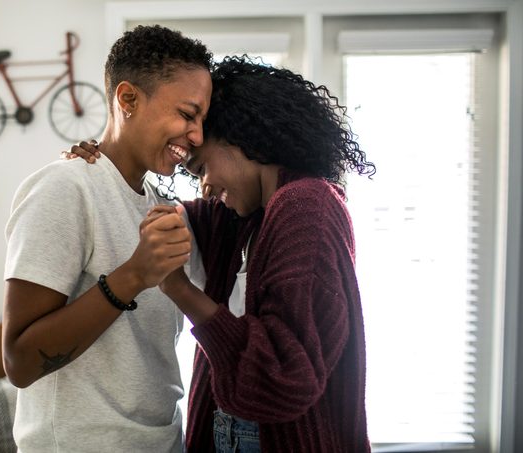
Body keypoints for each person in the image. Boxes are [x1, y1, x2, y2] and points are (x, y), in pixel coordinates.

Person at [68, 55, 375, 452]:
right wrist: (103, 162)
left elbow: (285, 375)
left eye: (201, 169)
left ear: (242, 138)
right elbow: (153, 212)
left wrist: (179, 289)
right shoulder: (242, 218)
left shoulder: (307, 206)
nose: (205, 188)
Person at [2, 25, 213, 452]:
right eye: (188, 114)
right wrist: (133, 275)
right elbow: (20, 363)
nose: (197, 136)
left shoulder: (164, 207)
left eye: (203, 121)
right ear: (128, 99)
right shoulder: (64, 189)